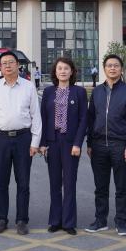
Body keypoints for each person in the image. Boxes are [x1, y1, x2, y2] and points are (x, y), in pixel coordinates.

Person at [0, 50, 42, 235]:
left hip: (23, 139)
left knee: (23, 182)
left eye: (11, 62)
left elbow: (36, 115)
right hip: (0, 139)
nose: (8, 66)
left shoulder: (28, 87)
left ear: (18, 65)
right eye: (4, 63)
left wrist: (35, 142)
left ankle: (22, 220)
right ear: (0, 67)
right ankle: (1, 219)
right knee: (1, 182)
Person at [85, 54, 126, 236]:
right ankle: (100, 220)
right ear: (104, 68)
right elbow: (91, 118)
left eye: (116, 65)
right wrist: (89, 143)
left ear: (121, 69)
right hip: (98, 145)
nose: (112, 68)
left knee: (121, 187)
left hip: (120, 145)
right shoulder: (97, 92)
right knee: (100, 187)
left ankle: (121, 222)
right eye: (109, 65)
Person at [39, 57, 87, 235]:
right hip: (52, 142)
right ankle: (55, 220)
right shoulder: (48, 92)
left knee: (69, 183)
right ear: (55, 71)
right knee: (54, 183)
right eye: (59, 68)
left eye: (66, 68)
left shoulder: (79, 92)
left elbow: (83, 120)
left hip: (70, 143)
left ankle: (68, 222)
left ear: (72, 71)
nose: (63, 71)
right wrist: (43, 143)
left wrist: (77, 143)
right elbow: (43, 118)